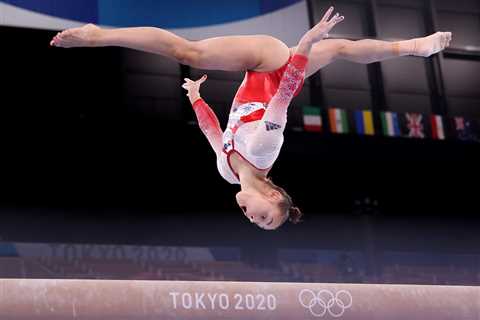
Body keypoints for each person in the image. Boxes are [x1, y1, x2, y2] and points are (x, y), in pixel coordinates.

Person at [50, 7, 452, 230]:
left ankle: (417, 45)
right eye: (261, 215)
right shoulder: (264, 148)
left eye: (252, 220)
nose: (248, 214)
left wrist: (195, 99)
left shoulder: (229, 173)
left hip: (267, 69)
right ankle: (97, 35)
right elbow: (283, 95)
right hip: (272, 63)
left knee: (344, 51)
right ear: (274, 194)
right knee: (188, 52)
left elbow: (212, 132)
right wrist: (306, 46)